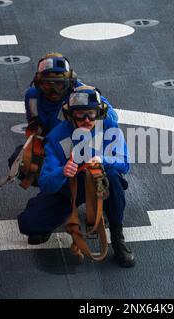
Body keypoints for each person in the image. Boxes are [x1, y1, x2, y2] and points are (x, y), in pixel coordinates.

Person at [17, 86, 135, 268]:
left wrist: (103, 160)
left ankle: (118, 239)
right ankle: (44, 210)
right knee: (29, 224)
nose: (86, 120)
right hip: (69, 186)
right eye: (80, 115)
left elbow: (125, 163)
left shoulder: (110, 127)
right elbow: (46, 182)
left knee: (113, 176)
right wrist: (62, 171)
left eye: (91, 114)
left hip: (100, 181)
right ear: (70, 115)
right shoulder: (56, 137)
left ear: (100, 112)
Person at [8, 52, 118, 180]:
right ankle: (52, 183)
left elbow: (112, 116)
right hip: (52, 146)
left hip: (79, 145)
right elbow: (33, 125)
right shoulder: (31, 97)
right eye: (47, 84)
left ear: (69, 82)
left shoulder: (81, 92)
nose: (53, 91)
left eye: (59, 84)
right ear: (39, 83)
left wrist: (86, 108)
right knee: (18, 160)